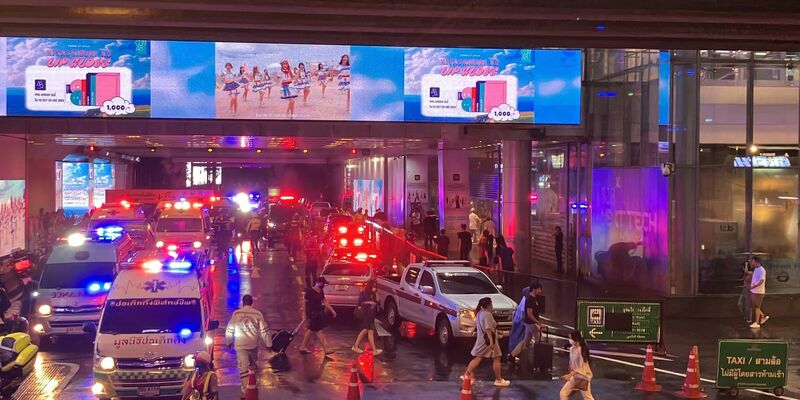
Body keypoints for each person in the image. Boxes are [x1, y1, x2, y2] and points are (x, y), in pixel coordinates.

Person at [225, 295, 271, 399]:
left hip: (240, 346)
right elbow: (264, 330)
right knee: (253, 366)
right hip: (253, 345)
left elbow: (229, 329)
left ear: (243, 302)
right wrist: (269, 344)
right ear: (251, 303)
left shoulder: (236, 314)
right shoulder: (257, 314)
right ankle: (253, 385)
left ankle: (245, 392)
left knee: (243, 370)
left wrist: (228, 341)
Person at [460, 297, 511, 387]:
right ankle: (498, 380)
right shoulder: (487, 315)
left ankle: (467, 374)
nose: (492, 306)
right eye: (491, 304)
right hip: (488, 340)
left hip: (482, 339)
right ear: (488, 305)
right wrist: (491, 342)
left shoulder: (479, 313)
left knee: (478, 357)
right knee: (496, 358)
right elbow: (488, 328)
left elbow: (482, 326)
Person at [299, 277, 338, 355]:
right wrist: (304, 314)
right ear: (318, 282)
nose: (323, 285)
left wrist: (332, 310)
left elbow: (324, 301)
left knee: (312, 330)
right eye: (323, 283)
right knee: (317, 331)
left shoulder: (321, 291)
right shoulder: (310, 291)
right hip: (312, 314)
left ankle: (303, 346)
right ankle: (326, 349)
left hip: (318, 314)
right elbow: (304, 302)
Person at [510, 282, 543, 362]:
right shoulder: (530, 299)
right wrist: (537, 322)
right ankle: (539, 359)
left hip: (529, 323)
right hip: (531, 323)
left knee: (525, 341)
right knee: (539, 340)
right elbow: (529, 313)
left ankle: (512, 355)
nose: (540, 291)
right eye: (538, 289)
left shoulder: (534, 298)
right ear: (534, 289)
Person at [559, 330, 594, 400]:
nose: (569, 340)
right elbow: (571, 363)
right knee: (563, 393)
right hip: (575, 377)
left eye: (570, 338)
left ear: (576, 339)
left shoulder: (581, 350)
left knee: (588, 398)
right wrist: (569, 374)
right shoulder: (571, 349)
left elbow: (581, 367)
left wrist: (569, 375)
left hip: (583, 377)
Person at [352, 280, 382, 355]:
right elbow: (360, 302)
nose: (374, 287)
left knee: (370, 331)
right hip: (366, 314)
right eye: (373, 286)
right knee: (366, 330)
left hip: (371, 315)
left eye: (375, 286)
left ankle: (374, 350)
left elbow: (378, 302)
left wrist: (376, 293)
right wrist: (369, 302)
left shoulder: (374, 293)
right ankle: (356, 346)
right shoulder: (364, 292)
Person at [749, 257, 770, 328]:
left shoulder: (762, 270)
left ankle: (757, 323)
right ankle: (762, 316)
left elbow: (762, 281)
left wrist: (753, 287)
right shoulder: (756, 269)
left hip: (758, 292)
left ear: (756, 262)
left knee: (757, 307)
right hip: (753, 291)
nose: (751, 263)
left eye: (752, 261)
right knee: (755, 306)